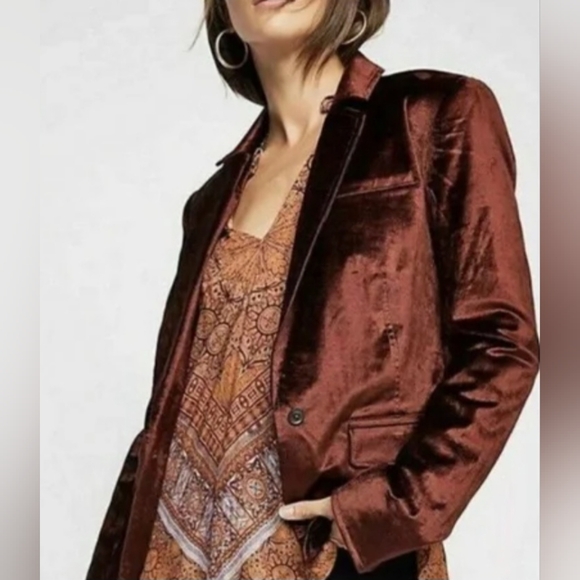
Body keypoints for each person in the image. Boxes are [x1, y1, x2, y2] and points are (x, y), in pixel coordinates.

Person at [85, 1, 540, 579]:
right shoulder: (209, 201)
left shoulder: (429, 116)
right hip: (174, 556)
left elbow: (501, 342)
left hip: (331, 557)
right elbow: (162, 424)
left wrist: (388, 509)